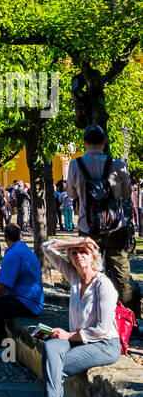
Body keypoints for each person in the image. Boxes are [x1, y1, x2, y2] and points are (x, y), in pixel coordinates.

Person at [27, 236, 122, 397]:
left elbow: (101, 330)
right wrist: (78, 241)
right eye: (75, 253)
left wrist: (69, 336)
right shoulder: (74, 277)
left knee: (55, 367)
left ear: (93, 257)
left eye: (84, 252)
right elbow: (46, 247)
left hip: (104, 345)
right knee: (51, 346)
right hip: (79, 340)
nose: (79, 256)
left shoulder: (103, 285)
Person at [66, 124, 139, 317]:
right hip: (116, 227)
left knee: (87, 272)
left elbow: (71, 193)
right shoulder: (118, 164)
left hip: (87, 227)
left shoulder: (75, 165)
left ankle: (92, 316)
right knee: (121, 273)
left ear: (84, 142)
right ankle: (128, 319)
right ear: (104, 142)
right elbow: (125, 194)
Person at [0, 223, 44, 359]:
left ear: (5, 238)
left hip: (27, 303)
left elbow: (1, 288)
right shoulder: (22, 249)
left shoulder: (13, 254)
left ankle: (1, 347)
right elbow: (2, 279)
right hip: (20, 297)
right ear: (21, 236)